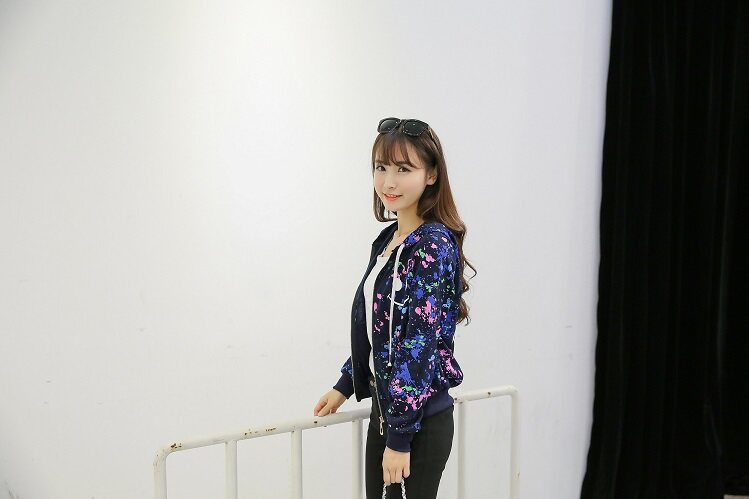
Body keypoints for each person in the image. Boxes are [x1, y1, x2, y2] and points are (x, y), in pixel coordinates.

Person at [313, 117, 475, 499]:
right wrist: (346, 383)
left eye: (404, 169)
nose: (388, 182)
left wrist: (400, 439)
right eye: (381, 167)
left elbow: (417, 346)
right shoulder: (390, 239)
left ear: (431, 174)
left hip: (419, 421)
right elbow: (381, 328)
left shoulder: (431, 245)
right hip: (388, 414)